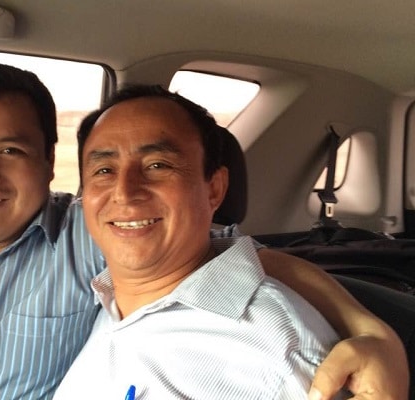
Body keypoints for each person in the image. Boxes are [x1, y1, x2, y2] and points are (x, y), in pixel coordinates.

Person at [0, 64, 407, 399]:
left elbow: (224, 259)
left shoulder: (92, 230)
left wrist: (372, 332)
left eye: (11, 150)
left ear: (48, 164)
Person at [54, 85, 409, 399]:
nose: (124, 192)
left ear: (215, 189)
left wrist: (376, 334)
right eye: (104, 170)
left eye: (158, 165)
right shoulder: (112, 298)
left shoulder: (275, 356)